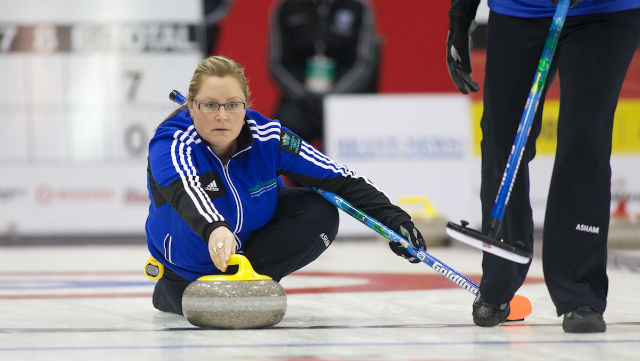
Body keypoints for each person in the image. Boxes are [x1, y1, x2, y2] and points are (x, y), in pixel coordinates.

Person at [145, 55, 426, 315]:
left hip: (245, 252)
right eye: (210, 105)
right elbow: (188, 191)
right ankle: (180, 292)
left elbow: (339, 177)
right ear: (192, 106)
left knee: (319, 211)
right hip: (187, 270)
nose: (222, 116)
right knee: (193, 250)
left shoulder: (269, 137)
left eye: (232, 105)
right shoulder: (172, 143)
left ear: (246, 107)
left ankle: (244, 286)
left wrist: (396, 222)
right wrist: (215, 228)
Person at [446, 0, 640, 333]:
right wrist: (461, 17)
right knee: (502, 139)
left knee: (584, 138)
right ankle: (499, 277)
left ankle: (580, 291)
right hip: (522, 9)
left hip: (604, 12)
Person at [268, 0, 381, 147]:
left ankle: (344, 170)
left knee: (355, 125)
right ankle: (292, 169)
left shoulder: (358, 7)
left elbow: (363, 63)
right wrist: (305, 95)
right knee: (282, 130)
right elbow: (278, 63)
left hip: (345, 100)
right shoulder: (287, 7)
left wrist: (332, 96)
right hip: (299, 101)